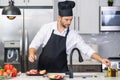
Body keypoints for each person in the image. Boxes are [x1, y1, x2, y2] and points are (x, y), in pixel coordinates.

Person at [28, 1, 110, 72]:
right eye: (66, 19)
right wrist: (31, 53)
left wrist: (101, 59)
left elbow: (88, 50)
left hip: (61, 73)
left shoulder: (73, 35)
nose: (69, 22)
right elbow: (34, 45)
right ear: (59, 18)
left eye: (71, 19)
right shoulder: (47, 28)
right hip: (43, 72)